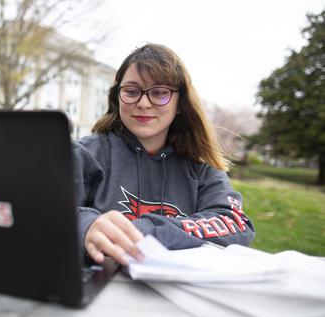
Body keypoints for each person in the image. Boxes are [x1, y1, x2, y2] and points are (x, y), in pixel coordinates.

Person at [73, 43, 255, 266]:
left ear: (181, 103)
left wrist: (149, 231)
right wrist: (85, 225)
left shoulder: (201, 166)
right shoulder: (84, 155)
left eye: (159, 93)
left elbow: (235, 222)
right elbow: (41, 210)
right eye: (131, 91)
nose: (143, 103)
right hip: (99, 290)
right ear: (117, 97)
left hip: (178, 293)